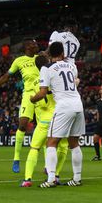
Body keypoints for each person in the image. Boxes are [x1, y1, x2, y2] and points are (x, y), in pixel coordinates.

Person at [0, 39, 46, 173]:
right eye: (34, 44)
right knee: (22, 125)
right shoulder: (19, 61)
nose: (36, 45)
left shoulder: (41, 59)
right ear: (27, 47)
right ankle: (16, 158)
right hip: (28, 94)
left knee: (44, 127)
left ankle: (47, 165)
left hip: (42, 94)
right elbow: (5, 76)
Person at [31, 42, 85, 188]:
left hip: (63, 107)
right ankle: (77, 178)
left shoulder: (46, 68)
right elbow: (74, 82)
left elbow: (42, 93)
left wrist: (32, 99)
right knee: (74, 143)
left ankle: (50, 179)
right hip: (78, 105)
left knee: (51, 142)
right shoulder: (72, 66)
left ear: (49, 54)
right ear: (62, 53)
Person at [20, 55, 69, 187]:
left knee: (34, 148)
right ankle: (56, 175)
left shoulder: (36, 82)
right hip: (59, 117)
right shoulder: (56, 77)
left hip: (44, 120)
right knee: (63, 147)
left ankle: (27, 179)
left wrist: (32, 99)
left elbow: (39, 101)